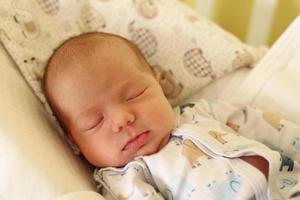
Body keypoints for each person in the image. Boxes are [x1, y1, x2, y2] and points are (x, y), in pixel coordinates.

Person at [43, 32, 300, 200]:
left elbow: (270, 127)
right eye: (95, 122)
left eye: (134, 94)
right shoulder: (125, 180)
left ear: (158, 83)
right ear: (75, 142)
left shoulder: (202, 111)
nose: (122, 119)